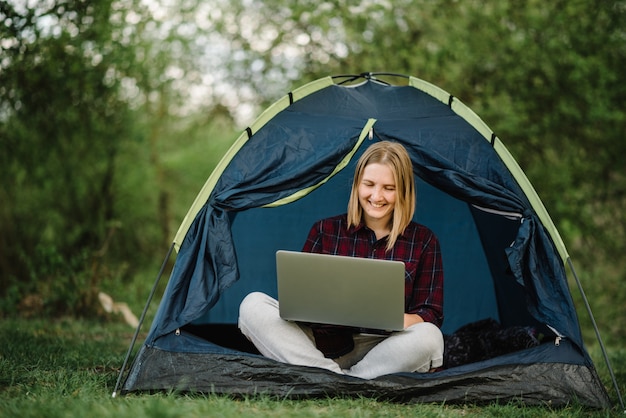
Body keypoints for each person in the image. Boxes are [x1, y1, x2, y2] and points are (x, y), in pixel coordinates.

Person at [238, 141, 444, 379]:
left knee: (430, 337)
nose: (377, 196)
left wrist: (386, 318)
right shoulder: (325, 230)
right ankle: (342, 379)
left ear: (404, 191)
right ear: (357, 185)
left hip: (382, 349)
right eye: (369, 185)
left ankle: (328, 379)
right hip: (317, 344)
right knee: (252, 305)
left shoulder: (424, 241)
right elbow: (299, 299)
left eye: (389, 188)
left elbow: (430, 314)